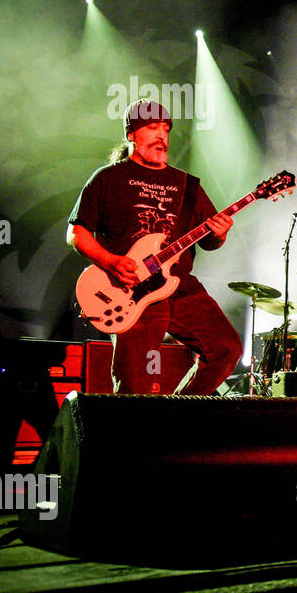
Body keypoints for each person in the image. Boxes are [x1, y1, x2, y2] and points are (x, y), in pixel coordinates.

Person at [66, 99, 243, 394]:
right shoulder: (108, 178)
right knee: (134, 386)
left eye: (166, 128)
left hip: (180, 286)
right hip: (130, 290)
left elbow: (210, 240)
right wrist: (111, 262)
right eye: (152, 128)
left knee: (226, 349)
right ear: (131, 134)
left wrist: (220, 233)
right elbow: (77, 233)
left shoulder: (187, 185)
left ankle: (175, 415)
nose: (162, 135)